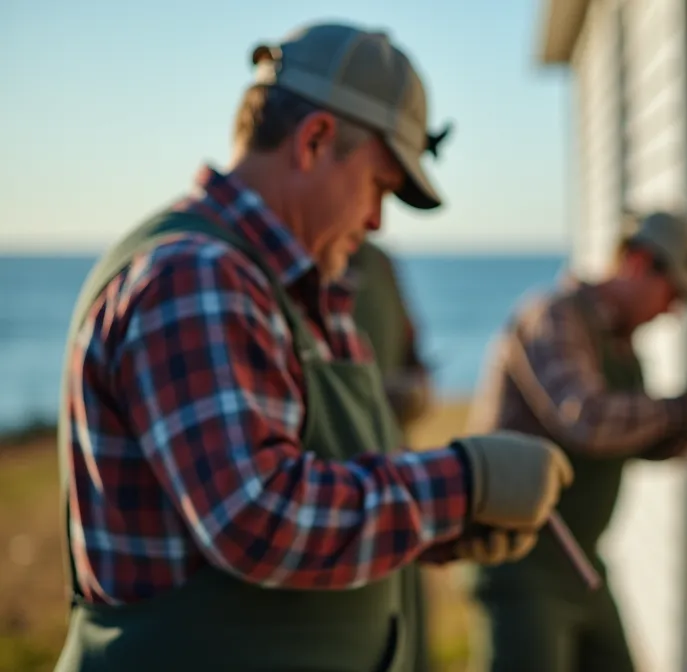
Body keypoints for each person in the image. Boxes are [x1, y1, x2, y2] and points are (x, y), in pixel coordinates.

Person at [52, 21, 573, 672]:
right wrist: (466, 481)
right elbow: (258, 516)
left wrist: (445, 530)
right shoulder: (194, 277)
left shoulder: (298, 288)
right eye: (380, 186)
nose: (379, 221)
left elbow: (330, 486)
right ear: (316, 140)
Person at [465, 210, 687, 672]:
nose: (672, 310)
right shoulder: (553, 318)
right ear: (637, 263)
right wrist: (681, 409)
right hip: (522, 562)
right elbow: (586, 418)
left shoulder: (623, 348)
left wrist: (686, 424)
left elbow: (634, 441)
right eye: (671, 294)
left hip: (580, 562)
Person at [348, 238, 439, 672]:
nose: (375, 217)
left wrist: (415, 389)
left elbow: (413, 350)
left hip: (395, 489)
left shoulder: (381, 266)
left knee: (407, 640)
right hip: (336, 509)